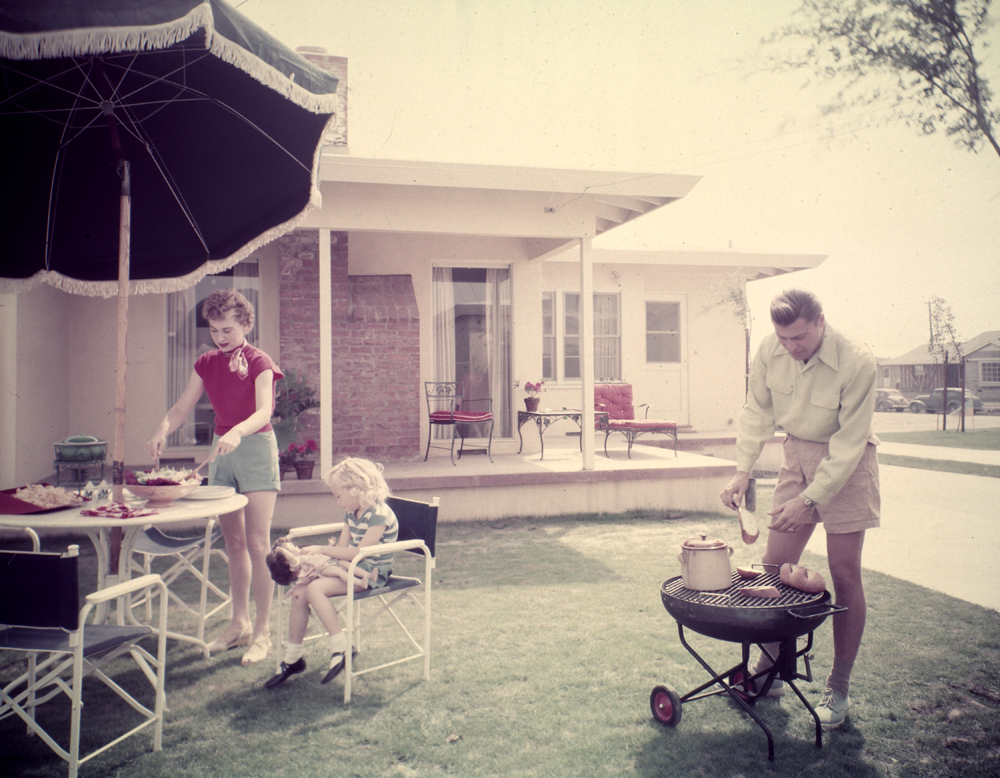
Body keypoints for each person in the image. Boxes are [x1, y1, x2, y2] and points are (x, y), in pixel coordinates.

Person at [720, 289, 879, 731]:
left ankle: (838, 689)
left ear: (821, 322)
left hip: (848, 463)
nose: (792, 347)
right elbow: (757, 412)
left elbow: (849, 443)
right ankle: (770, 672)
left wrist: (811, 500)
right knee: (773, 567)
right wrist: (742, 471)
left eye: (801, 337)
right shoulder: (771, 349)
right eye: (784, 337)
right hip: (797, 455)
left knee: (844, 574)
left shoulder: (857, 360)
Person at [146, 288, 281, 666]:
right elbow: (180, 407)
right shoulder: (205, 361)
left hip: (253, 449)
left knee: (257, 544)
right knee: (233, 544)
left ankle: (263, 633)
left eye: (228, 330)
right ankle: (238, 623)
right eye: (214, 329)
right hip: (222, 452)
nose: (220, 338)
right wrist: (161, 430)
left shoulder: (260, 361)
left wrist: (238, 431)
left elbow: (264, 411)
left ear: (246, 324)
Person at [265, 457, 398, 689]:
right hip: (348, 566)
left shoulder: (380, 514)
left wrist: (320, 550)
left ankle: (341, 647)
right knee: (299, 592)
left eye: (338, 495)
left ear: (358, 488)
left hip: (369, 573)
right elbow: (342, 551)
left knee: (315, 589)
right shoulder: (351, 513)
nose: (337, 501)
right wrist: (322, 562)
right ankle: (293, 658)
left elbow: (359, 553)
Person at [266, 538, 376, 590]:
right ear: (287, 558)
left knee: (344, 563)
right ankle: (361, 582)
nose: (296, 547)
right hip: (322, 569)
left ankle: (369, 575)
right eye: (292, 548)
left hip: (329, 562)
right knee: (339, 571)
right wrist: (281, 550)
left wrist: (329, 545)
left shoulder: (304, 553)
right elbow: (292, 558)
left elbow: (320, 552)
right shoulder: (297, 563)